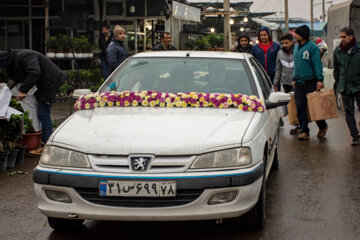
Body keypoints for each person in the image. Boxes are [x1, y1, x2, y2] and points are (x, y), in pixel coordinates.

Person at [0, 49, 66, 153]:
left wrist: (23, 91)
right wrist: (9, 90)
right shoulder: (13, 61)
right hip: (42, 83)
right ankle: (44, 142)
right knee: (41, 112)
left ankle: (46, 147)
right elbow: (19, 79)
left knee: (43, 113)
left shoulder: (23, 56)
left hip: (50, 81)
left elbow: (35, 72)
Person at [293, 25, 328, 140]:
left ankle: (322, 126)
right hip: (299, 83)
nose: (295, 35)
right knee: (300, 107)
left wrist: (320, 80)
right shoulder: (296, 47)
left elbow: (317, 64)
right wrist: (294, 78)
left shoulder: (313, 48)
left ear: (302, 35)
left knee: (315, 107)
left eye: (296, 34)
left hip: (311, 82)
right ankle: (304, 131)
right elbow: (296, 65)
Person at [333, 27, 360, 145]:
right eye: (341, 37)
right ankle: (355, 136)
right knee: (348, 113)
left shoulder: (358, 49)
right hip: (345, 87)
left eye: (344, 37)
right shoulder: (338, 50)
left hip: (359, 86)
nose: (342, 39)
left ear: (351, 36)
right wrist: (339, 82)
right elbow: (336, 69)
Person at [274, 32, 300, 134]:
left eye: (287, 43)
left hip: (297, 82)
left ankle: (301, 124)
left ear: (292, 42)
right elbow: (278, 69)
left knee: (299, 104)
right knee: (290, 104)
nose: (285, 45)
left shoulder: (297, 51)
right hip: (286, 83)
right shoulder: (280, 53)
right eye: (283, 43)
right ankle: (295, 125)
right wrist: (276, 84)